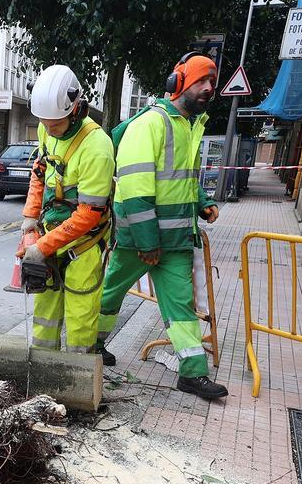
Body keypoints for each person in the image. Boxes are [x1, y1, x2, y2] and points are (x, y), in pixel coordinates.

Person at [96, 53, 227, 400]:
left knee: (181, 308)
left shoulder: (189, 126)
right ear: (178, 83)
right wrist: (147, 242)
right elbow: (136, 191)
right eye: (202, 81)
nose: (209, 88)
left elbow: (181, 177)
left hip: (174, 241)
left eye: (212, 82)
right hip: (140, 240)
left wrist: (202, 201)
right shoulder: (150, 125)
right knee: (111, 293)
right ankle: (92, 345)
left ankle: (193, 374)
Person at [18, 64, 114, 354]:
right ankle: (43, 369)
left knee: (80, 315)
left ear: (77, 110)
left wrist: (43, 247)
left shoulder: (97, 147)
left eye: (55, 124)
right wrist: (30, 218)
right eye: (44, 123)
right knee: (45, 309)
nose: (48, 129)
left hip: (84, 243)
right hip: (50, 232)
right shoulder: (47, 127)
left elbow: (88, 214)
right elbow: (40, 172)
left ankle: (79, 378)